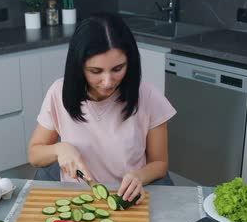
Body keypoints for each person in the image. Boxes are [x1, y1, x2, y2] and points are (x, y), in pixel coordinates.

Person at [28, 12, 176, 205]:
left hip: (127, 201)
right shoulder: (58, 92)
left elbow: (159, 164)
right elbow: (34, 155)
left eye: (117, 69)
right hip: (77, 201)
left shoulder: (148, 96)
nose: (107, 82)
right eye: (96, 71)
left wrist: (140, 176)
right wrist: (59, 149)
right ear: (79, 66)